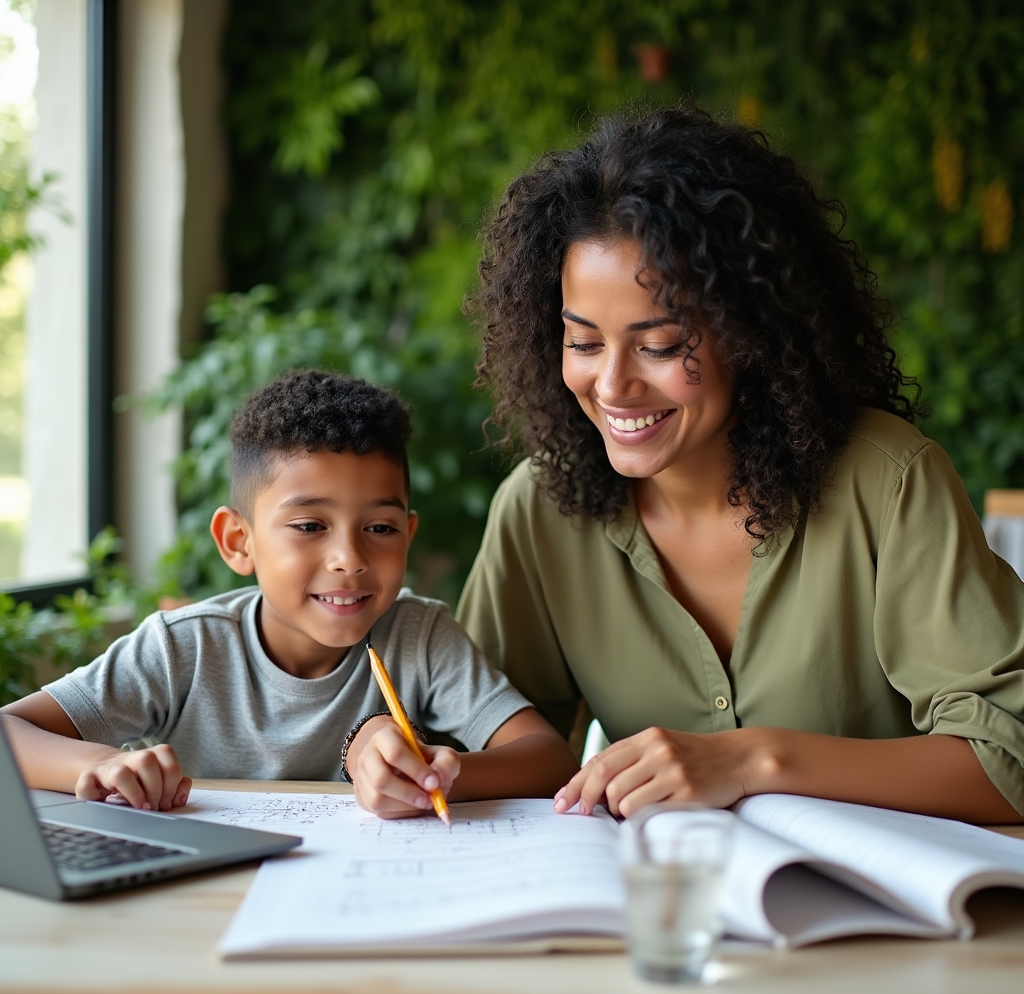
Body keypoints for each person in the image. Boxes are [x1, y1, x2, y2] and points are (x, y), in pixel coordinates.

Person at [456, 104, 1024, 825]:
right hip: (657, 914)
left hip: (884, 926)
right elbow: (476, 731)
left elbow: (1011, 753)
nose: (613, 386)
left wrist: (755, 761)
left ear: (748, 332)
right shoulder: (539, 509)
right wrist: (394, 751)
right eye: (584, 343)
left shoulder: (889, 482)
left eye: (660, 344)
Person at [1, 370, 577, 818]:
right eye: (309, 526)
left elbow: (549, 759)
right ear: (238, 541)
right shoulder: (182, 651)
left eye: (380, 528)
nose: (349, 558)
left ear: (408, 534)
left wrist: (434, 774)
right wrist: (101, 763)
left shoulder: (419, 637)